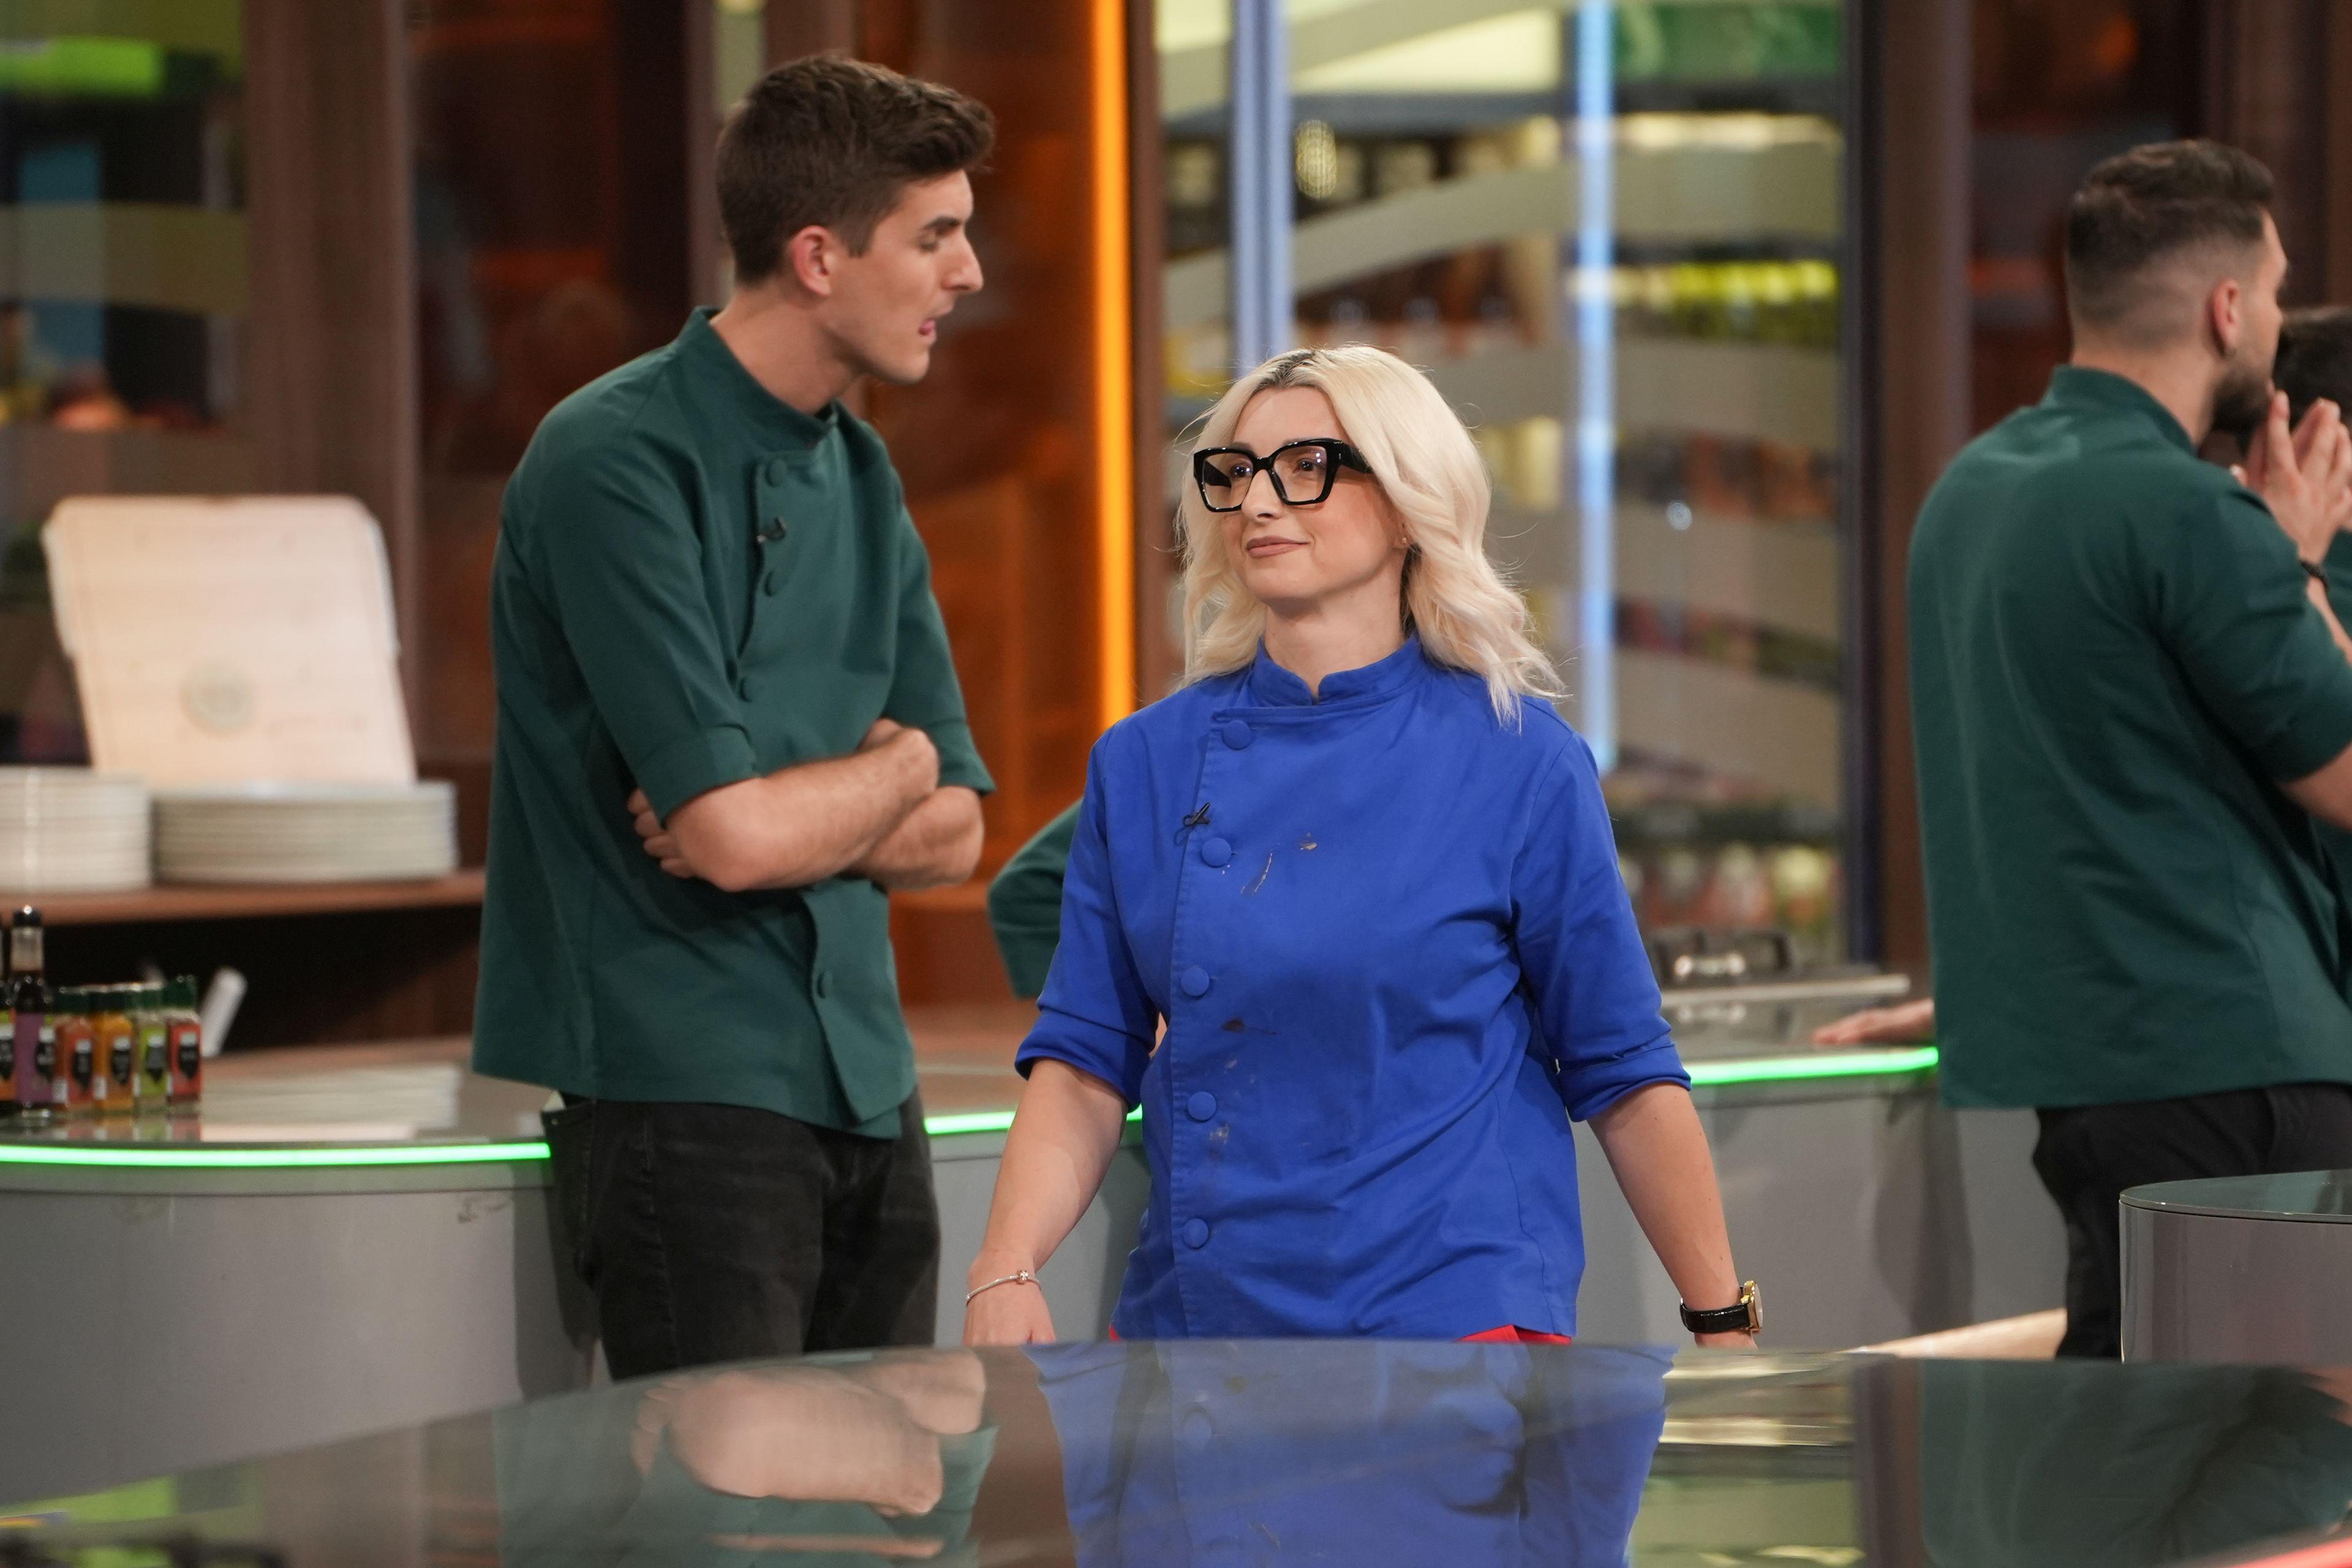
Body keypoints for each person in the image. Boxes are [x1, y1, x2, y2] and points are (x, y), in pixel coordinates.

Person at [962, 344, 1756, 1346]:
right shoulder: (1143, 762)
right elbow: (1083, 1061)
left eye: (1308, 467)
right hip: (1199, 1334)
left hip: (1455, 1331)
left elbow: (1624, 1069)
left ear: (1409, 503)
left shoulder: (1521, 759)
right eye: (1237, 472)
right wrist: (1002, 1269)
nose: (1259, 501)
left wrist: (1722, 1319)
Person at [473, 55, 997, 1378]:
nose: (968, 273)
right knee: (722, 1494)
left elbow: (958, 830)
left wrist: (865, 787)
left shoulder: (864, 471)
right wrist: (888, 774)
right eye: (935, 236)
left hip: (871, 1083)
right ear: (818, 257)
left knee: (895, 1483)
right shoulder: (613, 459)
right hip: (682, 1092)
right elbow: (732, 839)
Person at [1908, 140, 2352, 1359]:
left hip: (2084, 1078)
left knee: (2128, 1431)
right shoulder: (2192, 512)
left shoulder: (1965, 496)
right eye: (2274, 292)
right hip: (2240, 1072)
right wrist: (2299, 564)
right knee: (2268, 1449)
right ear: (2226, 309)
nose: (2277, 322)